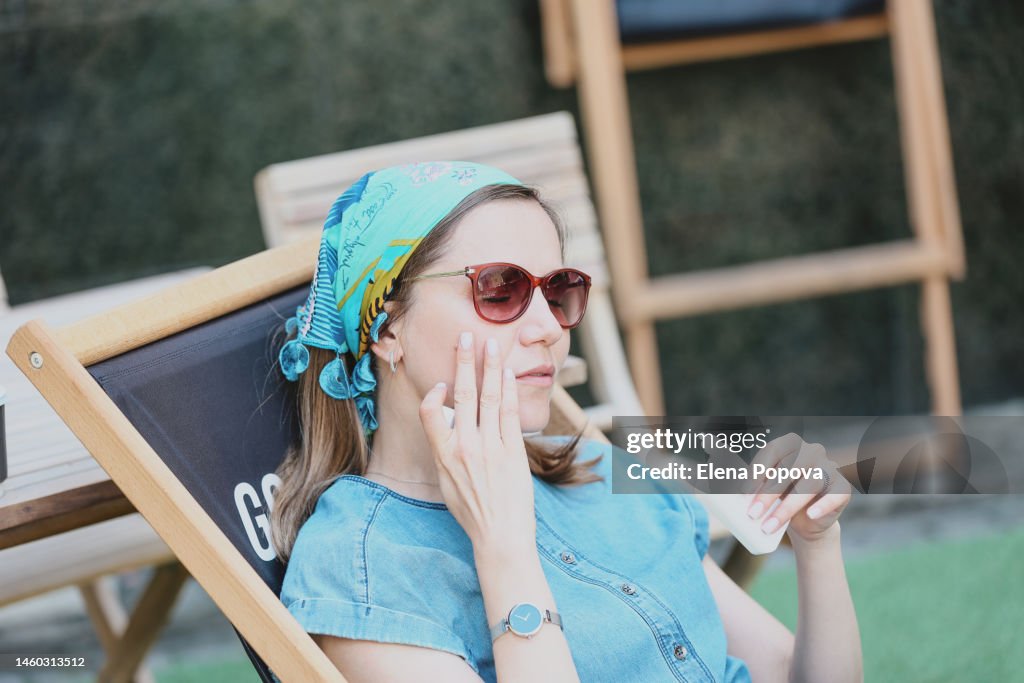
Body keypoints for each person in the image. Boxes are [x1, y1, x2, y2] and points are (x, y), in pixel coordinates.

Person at [271, 161, 862, 682]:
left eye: (559, 291)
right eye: (498, 290)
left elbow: (783, 672)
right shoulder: (359, 570)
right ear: (388, 328)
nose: (550, 328)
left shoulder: (592, 466)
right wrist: (503, 549)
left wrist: (817, 544)